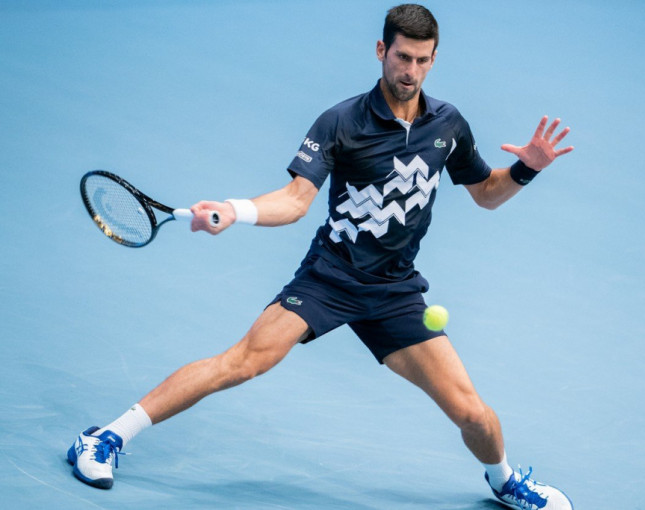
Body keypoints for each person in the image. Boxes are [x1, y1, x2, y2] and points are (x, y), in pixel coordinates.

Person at [68, 4, 574, 509]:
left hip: (395, 290)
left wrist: (525, 170)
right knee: (243, 362)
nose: (411, 71)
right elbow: (295, 200)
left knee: (471, 413)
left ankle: (504, 482)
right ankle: (105, 437)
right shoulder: (341, 122)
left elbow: (486, 193)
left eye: (422, 60)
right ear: (382, 51)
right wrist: (236, 210)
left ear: (434, 59)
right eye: (402, 57)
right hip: (330, 277)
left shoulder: (448, 124)